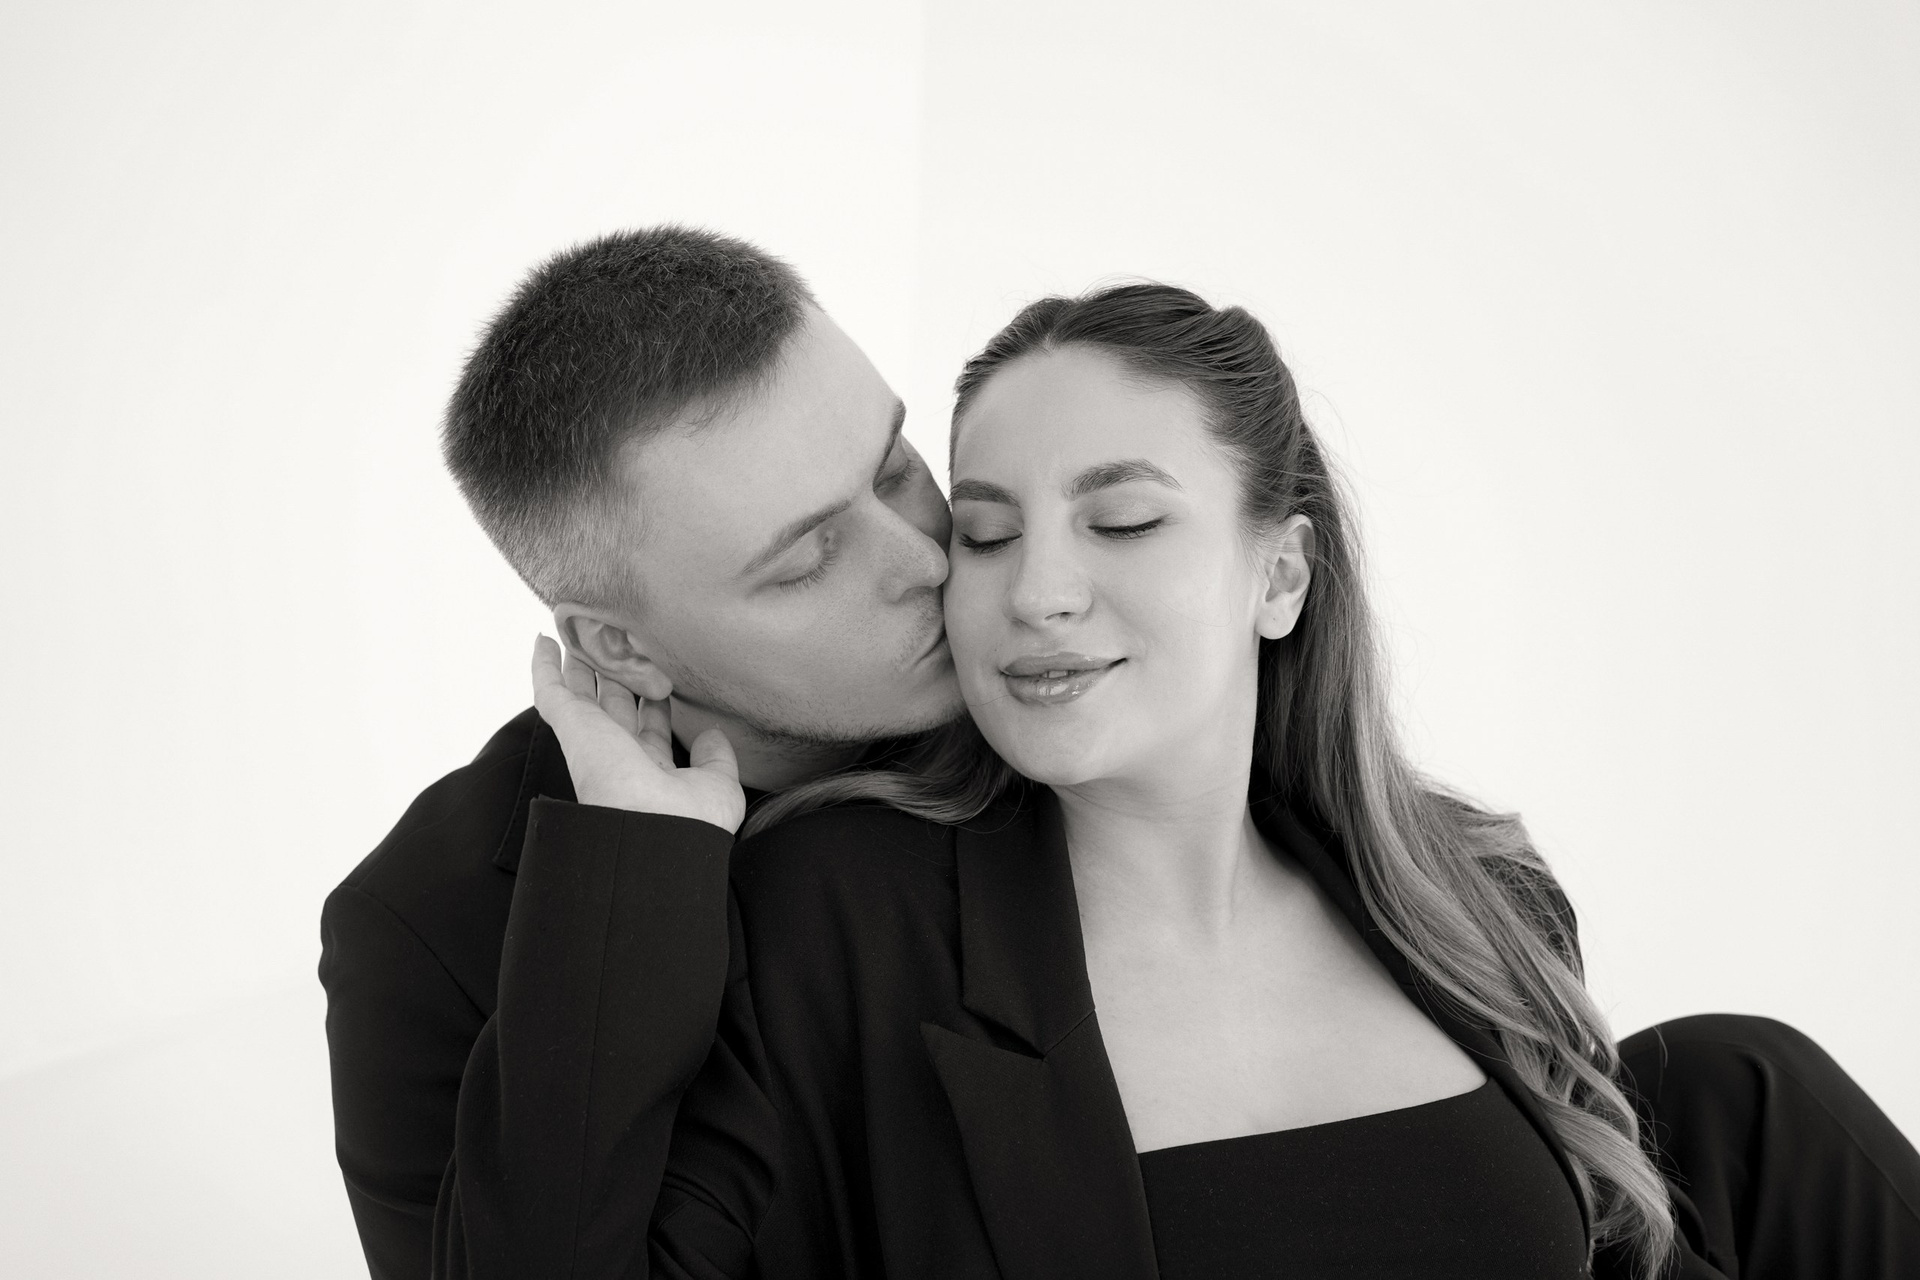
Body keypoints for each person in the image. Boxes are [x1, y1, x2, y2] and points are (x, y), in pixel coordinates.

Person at [529, 282, 1920, 1278]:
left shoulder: (1474, 897)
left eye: (1124, 520)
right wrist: (627, 862)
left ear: (1281, 574)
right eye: (990, 534)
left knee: (1752, 1078)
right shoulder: (835, 914)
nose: (1039, 592)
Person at [319, 225, 966, 1278]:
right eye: (808, 559)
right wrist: (633, 888)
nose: (926, 561)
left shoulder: (1056, 699)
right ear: (624, 648)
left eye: (894, 469)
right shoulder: (425, 931)